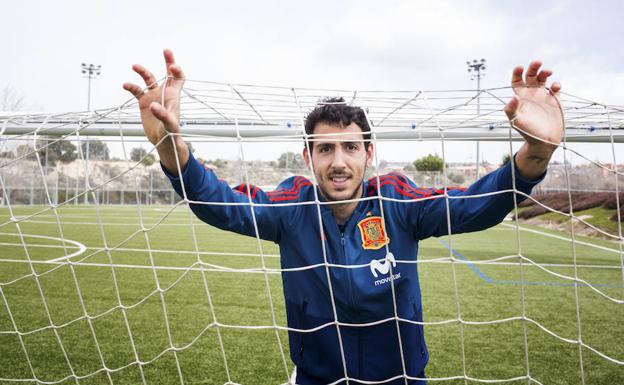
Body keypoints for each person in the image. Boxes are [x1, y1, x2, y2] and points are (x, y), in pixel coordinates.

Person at [123, 49, 563, 385]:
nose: (339, 161)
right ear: (307, 155)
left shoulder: (396, 201)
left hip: (401, 378)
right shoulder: (290, 209)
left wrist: (537, 152)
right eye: (326, 148)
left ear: (369, 153)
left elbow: (473, 206)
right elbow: (218, 201)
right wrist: (169, 144)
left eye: (351, 147)